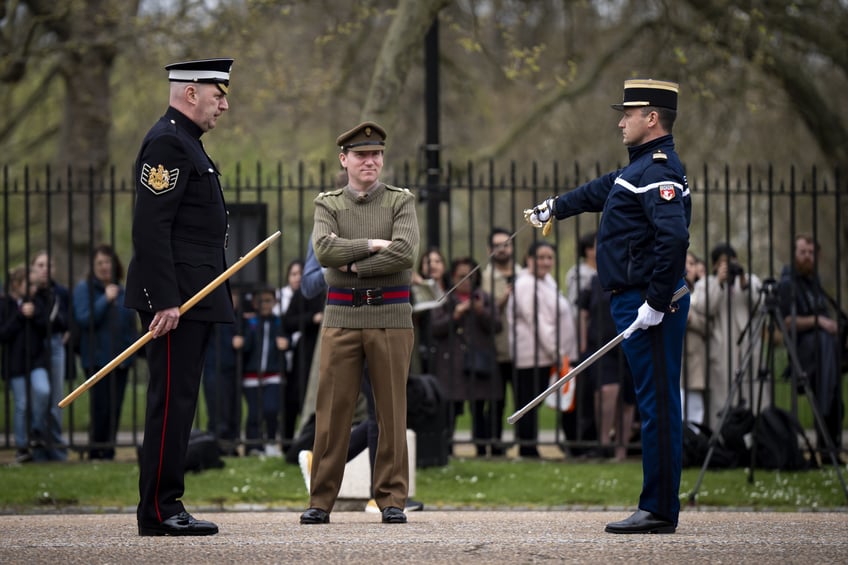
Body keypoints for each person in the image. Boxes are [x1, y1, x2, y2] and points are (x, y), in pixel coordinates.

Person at [526, 78, 691, 534]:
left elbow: (674, 238)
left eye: (629, 114)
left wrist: (656, 302)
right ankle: (656, 504)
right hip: (636, 302)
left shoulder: (656, 170)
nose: (621, 121)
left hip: (650, 305)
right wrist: (555, 207)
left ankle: (658, 509)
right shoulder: (637, 170)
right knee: (655, 401)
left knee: (658, 405)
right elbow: (601, 190)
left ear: (651, 118)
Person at [124, 58, 235, 537]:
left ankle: (166, 503)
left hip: (193, 296)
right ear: (191, 93)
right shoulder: (169, 142)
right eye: (219, 94)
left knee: (182, 401)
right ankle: (160, 509)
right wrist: (164, 299)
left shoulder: (188, 143)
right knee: (170, 402)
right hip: (176, 302)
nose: (225, 105)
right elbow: (151, 229)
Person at [300, 120, 419, 525]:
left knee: (390, 411)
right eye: (362, 155)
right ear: (344, 159)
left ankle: (390, 499)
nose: (371, 161)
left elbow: (405, 253)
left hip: (391, 315)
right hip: (341, 317)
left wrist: (349, 264)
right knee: (332, 411)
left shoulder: (401, 201)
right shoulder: (328, 204)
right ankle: (320, 500)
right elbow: (323, 252)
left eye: (376, 154)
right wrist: (369, 245)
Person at [507, 241, 577, 458]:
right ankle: (528, 449)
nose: (546, 262)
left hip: (548, 354)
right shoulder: (526, 284)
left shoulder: (547, 281)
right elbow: (536, 320)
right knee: (529, 404)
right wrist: (556, 351)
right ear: (529, 259)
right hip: (534, 355)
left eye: (549, 257)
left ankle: (562, 445)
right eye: (541, 257)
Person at [778, 234, 844, 455]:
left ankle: (829, 448)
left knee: (833, 395)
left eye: (811, 253)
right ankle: (826, 446)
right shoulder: (788, 285)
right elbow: (785, 322)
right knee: (824, 342)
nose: (807, 257)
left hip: (825, 353)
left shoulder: (814, 284)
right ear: (795, 254)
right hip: (804, 353)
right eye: (802, 252)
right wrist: (818, 321)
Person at [430, 256, 501, 456]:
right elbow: (434, 328)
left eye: (471, 277)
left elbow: (497, 325)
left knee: (479, 408)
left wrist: (481, 312)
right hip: (452, 364)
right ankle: (446, 449)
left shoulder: (484, 298)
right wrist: (456, 315)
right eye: (462, 277)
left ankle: (483, 448)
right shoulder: (444, 298)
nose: (466, 281)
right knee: (451, 409)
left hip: (479, 362)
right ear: (453, 277)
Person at [73, 244, 138, 460]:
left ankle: (109, 449)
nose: (104, 267)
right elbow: (84, 319)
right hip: (96, 358)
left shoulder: (121, 290)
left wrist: (130, 353)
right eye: (99, 263)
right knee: (100, 407)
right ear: (93, 266)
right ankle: (96, 449)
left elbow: (129, 323)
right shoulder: (85, 289)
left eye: (107, 262)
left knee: (115, 407)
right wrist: (105, 300)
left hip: (120, 359)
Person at [690, 243, 764, 428]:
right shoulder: (706, 284)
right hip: (721, 351)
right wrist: (719, 283)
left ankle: (753, 437)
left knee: (752, 395)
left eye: (731, 261)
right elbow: (703, 308)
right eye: (723, 263)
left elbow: (761, 305)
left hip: (748, 348)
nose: (729, 266)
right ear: (715, 265)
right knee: (722, 399)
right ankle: (721, 439)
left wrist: (744, 283)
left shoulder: (749, 281)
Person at [578, 273, 637, 461]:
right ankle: (603, 445)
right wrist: (582, 345)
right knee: (607, 390)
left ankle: (621, 451)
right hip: (601, 346)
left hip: (630, 344)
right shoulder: (596, 280)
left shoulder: (637, 275)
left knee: (628, 399)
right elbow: (583, 312)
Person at [0, 266, 51, 463]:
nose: (34, 288)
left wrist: (35, 313)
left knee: (42, 391)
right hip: (15, 362)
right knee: (21, 403)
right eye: (29, 284)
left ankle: (36, 430)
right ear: (16, 285)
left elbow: (47, 325)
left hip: (36, 359)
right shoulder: (5, 305)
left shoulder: (38, 302)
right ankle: (22, 446)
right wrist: (20, 315)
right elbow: (3, 333)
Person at [479, 227, 523, 456]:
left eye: (506, 244)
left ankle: (526, 445)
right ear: (489, 249)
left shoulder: (523, 274)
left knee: (523, 400)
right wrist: (501, 301)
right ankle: (494, 446)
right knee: (495, 402)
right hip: (494, 349)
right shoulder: (484, 279)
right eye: (497, 245)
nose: (502, 249)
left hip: (522, 350)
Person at [233, 286, 290, 456]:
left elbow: (288, 339)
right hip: (251, 374)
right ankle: (253, 446)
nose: (264, 304)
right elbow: (244, 346)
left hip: (273, 374)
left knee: (271, 409)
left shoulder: (279, 322)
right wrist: (243, 341)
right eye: (261, 301)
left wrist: (286, 343)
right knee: (254, 412)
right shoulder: (249, 322)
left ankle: (272, 441)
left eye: (268, 301)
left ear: (275, 302)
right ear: (254, 303)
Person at [30, 251, 70, 461]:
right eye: (40, 265)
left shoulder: (60, 292)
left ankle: (55, 448)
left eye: (48, 265)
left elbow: (70, 319)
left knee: (56, 399)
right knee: (40, 394)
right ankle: (37, 446)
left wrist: (68, 330)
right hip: (34, 347)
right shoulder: (28, 293)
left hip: (55, 344)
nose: (44, 269)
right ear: (33, 268)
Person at [282, 259, 324, 445]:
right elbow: (288, 322)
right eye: (294, 274)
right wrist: (311, 319)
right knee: (296, 395)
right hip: (306, 352)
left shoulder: (326, 290)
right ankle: (290, 440)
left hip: (325, 349)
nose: (298, 278)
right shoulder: (303, 293)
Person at [201, 288, 242, 456]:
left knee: (233, 410)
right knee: (218, 411)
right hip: (215, 368)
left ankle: (230, 445)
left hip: (232, 369)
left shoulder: (239, 317)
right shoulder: (214, 316)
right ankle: (219, 447)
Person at [682, 252, 708, 424]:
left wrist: (690, 317)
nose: (687, 267)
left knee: (695, 409)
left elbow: (709, 324)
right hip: (675, 356)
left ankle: (693, 445)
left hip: (695, 359)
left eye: (691, 263)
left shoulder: (702, 294)